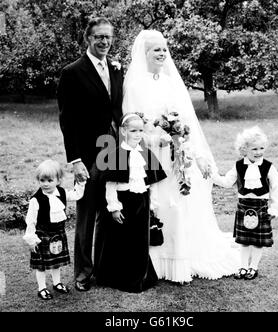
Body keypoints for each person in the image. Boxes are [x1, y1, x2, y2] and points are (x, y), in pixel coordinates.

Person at [122, 30, 240, 283]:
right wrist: (154, 138)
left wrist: (197, 154)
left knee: (182, 201)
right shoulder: (134, 84)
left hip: (176, 152)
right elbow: (132, 123)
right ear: (145, 53)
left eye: (164, 49)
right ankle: (159, 260)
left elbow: (186, 121)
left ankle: (184, 255)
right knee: (160, 203)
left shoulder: (169, 82)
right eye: (156, 50)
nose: (162, 53)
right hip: (151, 155)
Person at [57, 17, 123, 291]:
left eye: (108, 37)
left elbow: (119, 109)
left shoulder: (117, 68)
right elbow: (67, 120)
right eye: (99, 37)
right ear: (88, 39)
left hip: (115, 149)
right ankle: (83, 273)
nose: (104, 42)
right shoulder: (72, 72)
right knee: (86, 215)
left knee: (112, 209)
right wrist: (75, 161)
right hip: (86, 154)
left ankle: (108, 268)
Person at [95, 113, 167, 292]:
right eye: (133, 130)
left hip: (141, 200)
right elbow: (110, 185)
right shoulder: (117, 154)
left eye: (140, 130)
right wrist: (114, 207)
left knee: (139, 240)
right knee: (122, 240)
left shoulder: (145, 153)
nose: (137, 134)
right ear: (123, 131)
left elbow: (151, 183)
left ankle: (141, 276)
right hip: (124, 201)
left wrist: (152, 204)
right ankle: (120, 277)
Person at [212, 126, 278, 280]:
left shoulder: (269, 167)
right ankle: (243, 266)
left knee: (257, 241)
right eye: (254, 149)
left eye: (261, 148)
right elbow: (226, 182)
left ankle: (253, 267)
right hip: (243, 206)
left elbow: (275, 188)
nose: (259, 152)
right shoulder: (238, 165)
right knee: (244, 241)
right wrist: (212, 175)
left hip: (261, 207)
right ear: (244, 149)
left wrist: (275, 208)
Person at [23, 159, 86, 300]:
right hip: (42, 236)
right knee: (42, 265)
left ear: (58, 180)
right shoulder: (36, 199)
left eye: (50, 180)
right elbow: (31, 221)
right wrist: (31, 239)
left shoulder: (62, 193)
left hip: (58, 233)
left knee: (56, 261)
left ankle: (57, 283)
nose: (45, 184)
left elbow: (77, 195)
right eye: (42, 180)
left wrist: (81, 183)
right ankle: (42, 288)